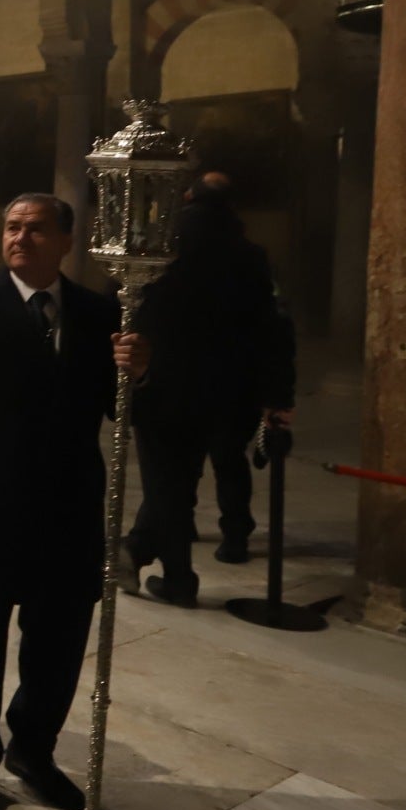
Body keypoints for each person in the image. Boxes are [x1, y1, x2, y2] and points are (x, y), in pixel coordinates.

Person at [0, 193, 147, 810]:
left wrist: (137, 373)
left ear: (67, 240)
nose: (20, 238)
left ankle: (33, 752)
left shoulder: (101, 315)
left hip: (68, 512)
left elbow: (122, 415)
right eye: (13, 227)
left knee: (59, 646)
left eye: (36, 229)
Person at [124, 178, 296, 600]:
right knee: (224, 463)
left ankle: (171, 573)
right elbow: (273, 329)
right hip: (231, 387)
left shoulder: (158, 247)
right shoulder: (251, 256)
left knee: (168, 482)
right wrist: (277, 396)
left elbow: (126, 307)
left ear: (186, 200)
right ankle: (232, 538)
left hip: (164, 382)